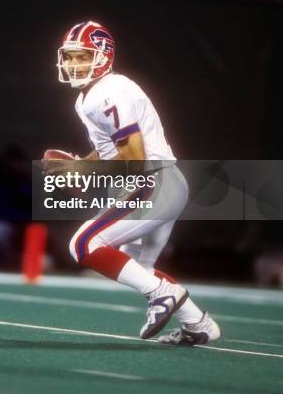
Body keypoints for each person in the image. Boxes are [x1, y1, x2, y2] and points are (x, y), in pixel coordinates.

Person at [45, 20, 221, 345]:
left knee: (83, 245)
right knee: (138, 269)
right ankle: (198, 323)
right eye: (68, 57)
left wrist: (84, 172)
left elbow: (135, 159)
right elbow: (110, 149)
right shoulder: (90, 97)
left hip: (153, 183)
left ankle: (162, 295)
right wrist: (83, 163)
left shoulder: (107, 93)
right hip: (162, 183)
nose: (72, 64)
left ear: (103, 56)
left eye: (81, 56)